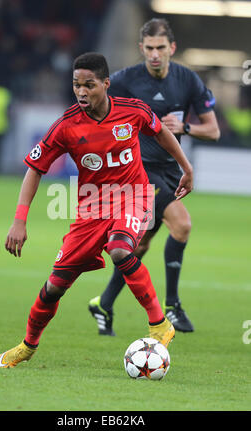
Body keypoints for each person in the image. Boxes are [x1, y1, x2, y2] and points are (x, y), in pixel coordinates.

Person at [0, 52, 193, 368]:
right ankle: (27, 346)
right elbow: (35, 169)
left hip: (134, 195)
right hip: (91, 207)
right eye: (76, 85)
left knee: (119, 248)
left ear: (105, 84)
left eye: (89, 85)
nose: (82, 92)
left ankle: (159, 323)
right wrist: (19, 221)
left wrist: (186, 167)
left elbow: (161, 133)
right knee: (54, 287)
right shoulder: (66, 125)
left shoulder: (133, 111)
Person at [88, 18, 220, 335]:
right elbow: (91, 109)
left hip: (170, 170)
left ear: (172, 48)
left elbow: (212, 130)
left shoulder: (187, 79)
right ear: (141, 49)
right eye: (149, 48)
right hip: (138, 171)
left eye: (161, 48)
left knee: (140, 244)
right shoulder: (123, 81)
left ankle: (103, 304)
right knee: (182, 224)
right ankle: (172, 306)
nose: (155, 54)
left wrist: (185, 127)